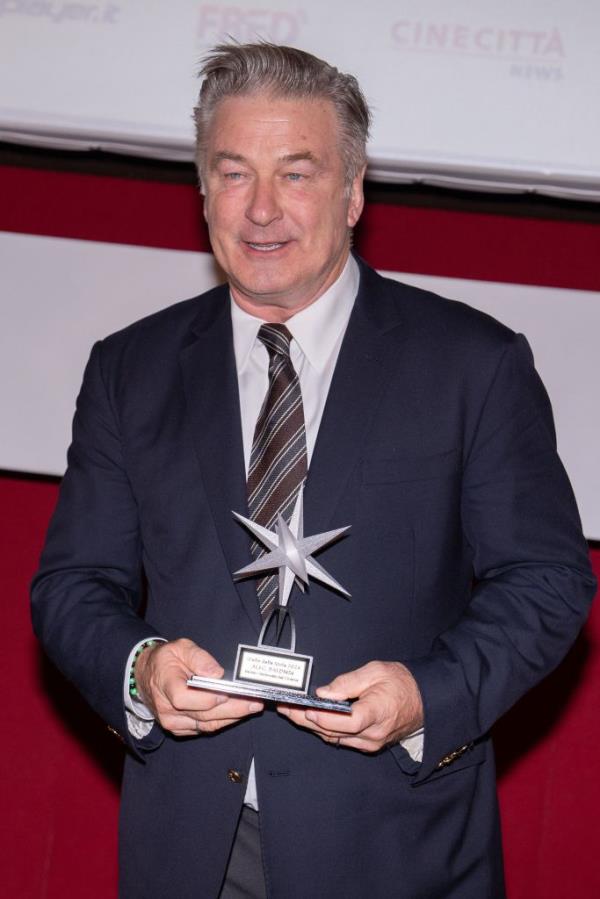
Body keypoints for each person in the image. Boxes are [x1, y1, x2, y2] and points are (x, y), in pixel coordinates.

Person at [31, 42, 595, 899]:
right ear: (201, 190)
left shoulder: (473, 364)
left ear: (354, 189)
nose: (262, 210)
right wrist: (140, 666)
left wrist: (423, 694)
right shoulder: (128, 369)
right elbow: (72, 586)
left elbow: (548, 580)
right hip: (189, 850)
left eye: (295, 174)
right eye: (233, 174)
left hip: (398, 848)